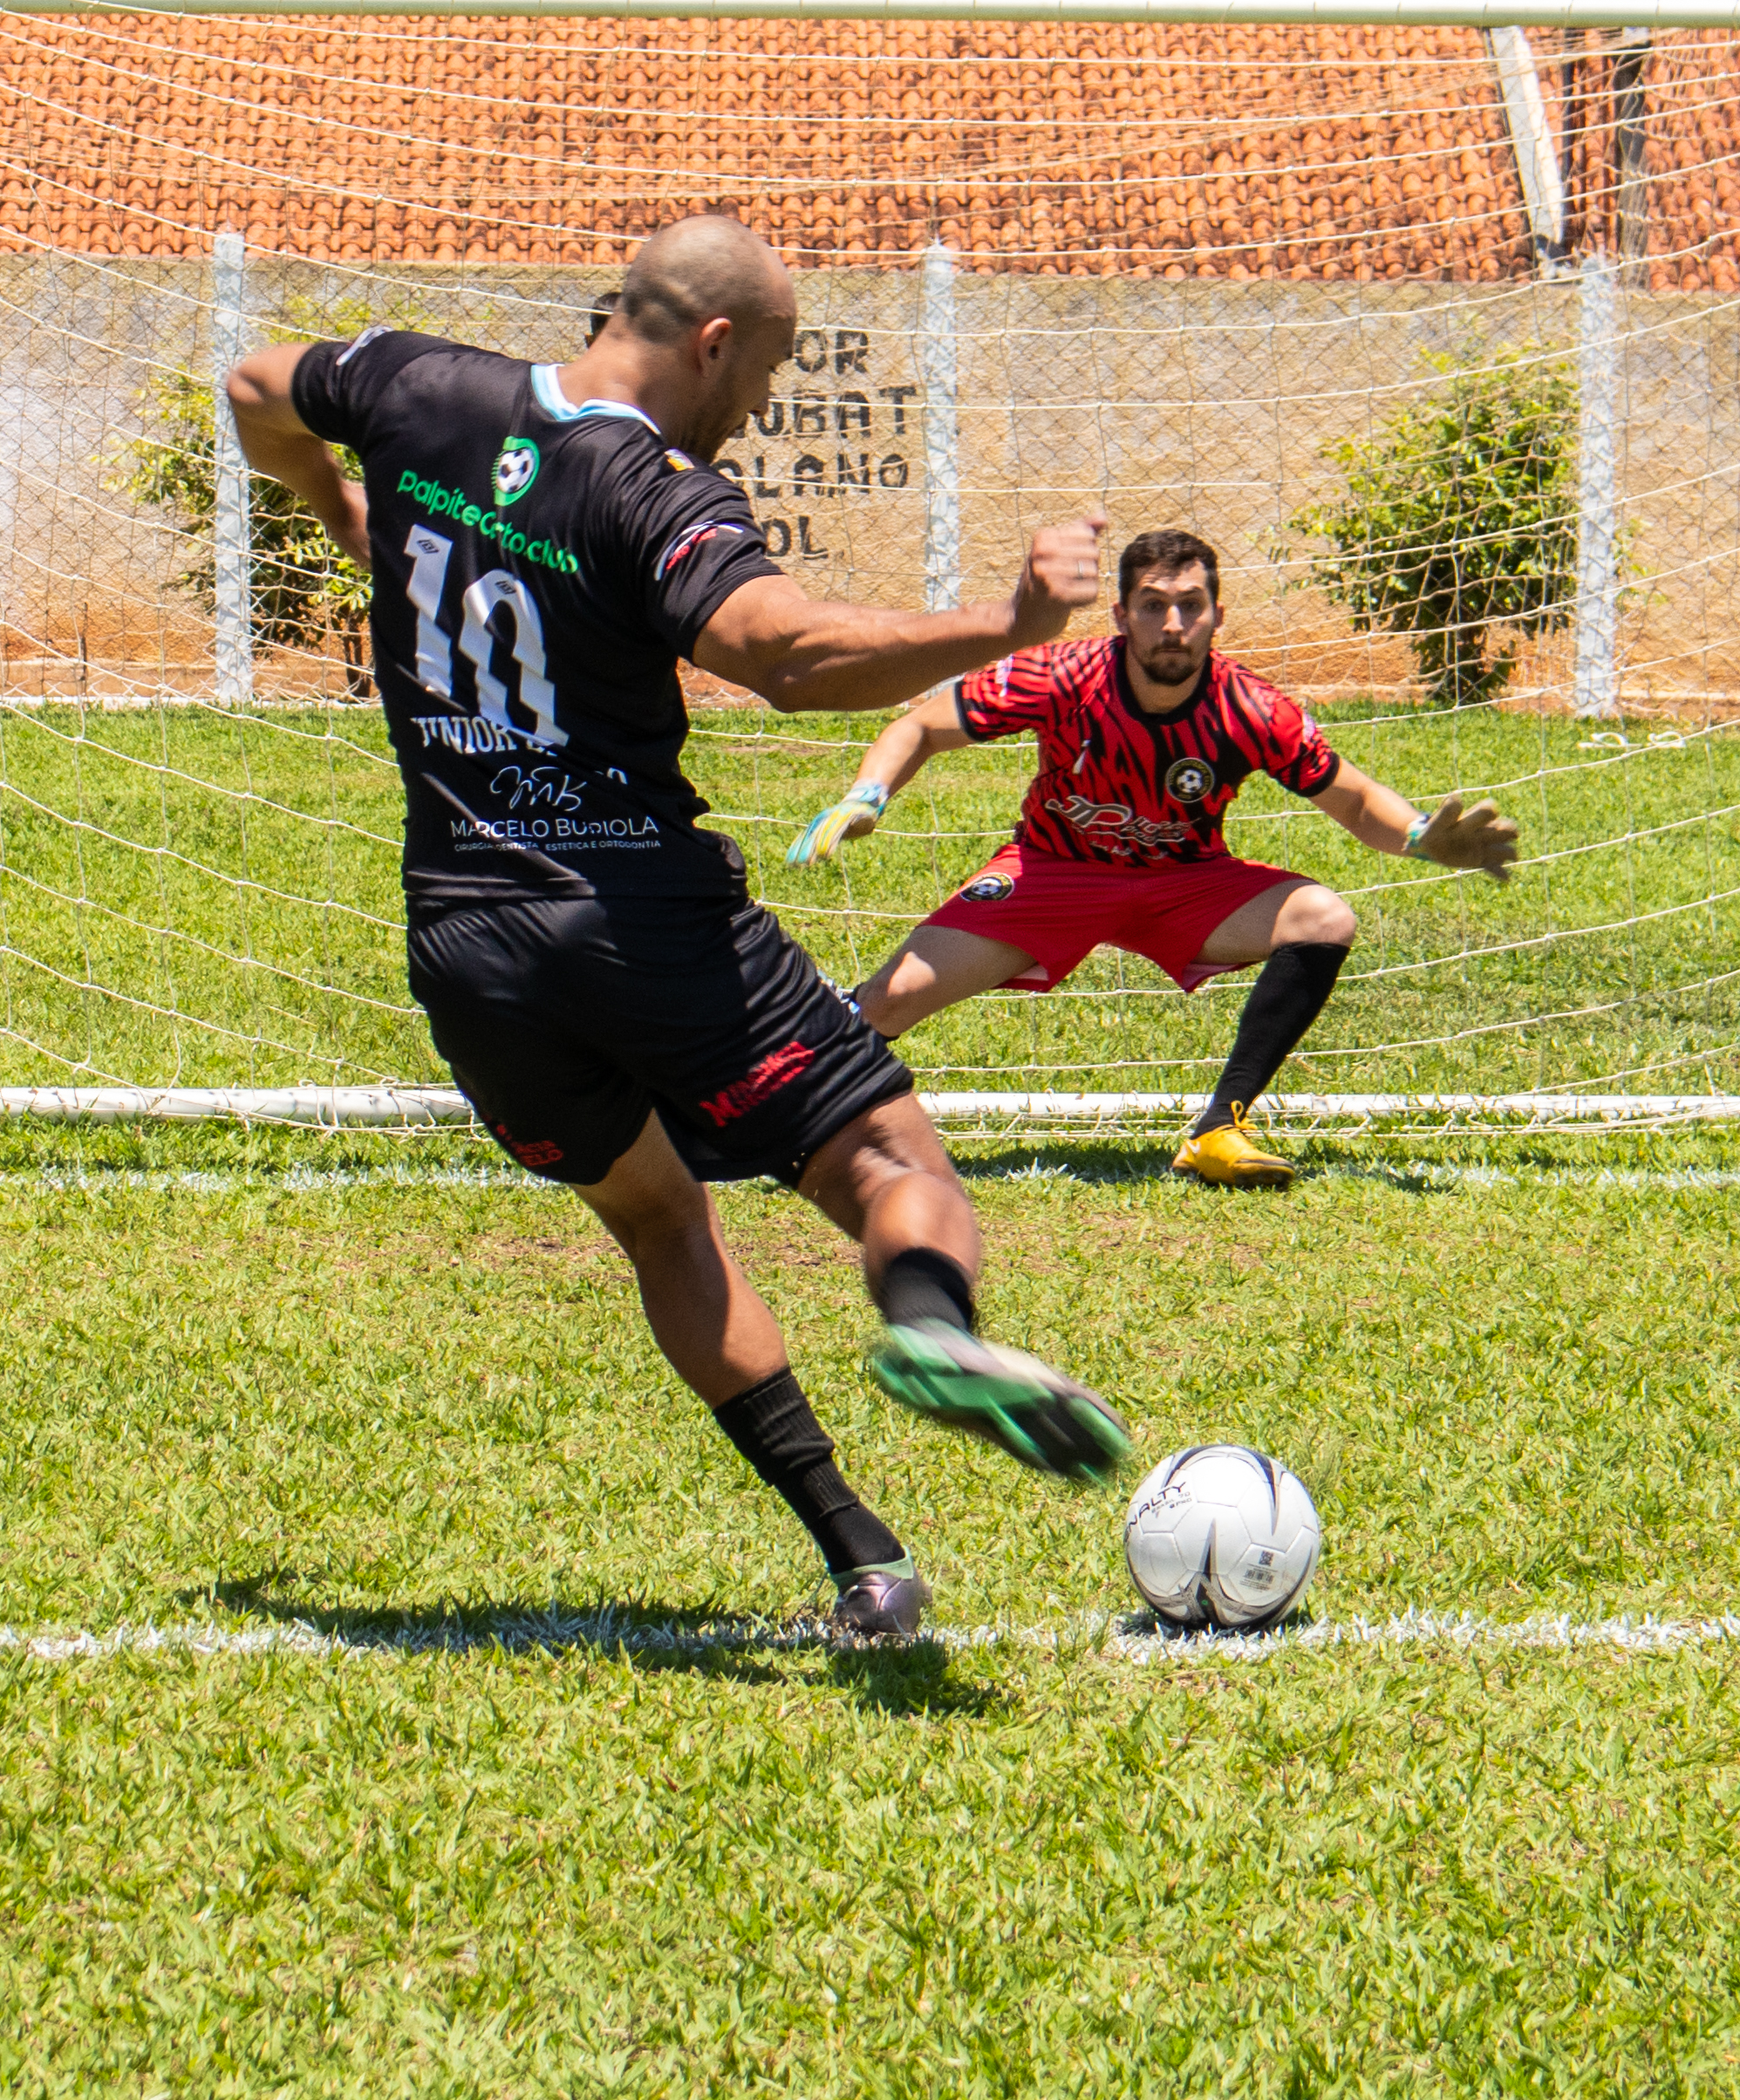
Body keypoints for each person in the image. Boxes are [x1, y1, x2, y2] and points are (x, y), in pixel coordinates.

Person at [220, 213, 1129, 1647]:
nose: (757, 407)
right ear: (711, 343)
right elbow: (782, 652)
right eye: (760, 374)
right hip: (641, 918)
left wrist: (340, 513)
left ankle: (860, 1556)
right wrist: (1003, 619)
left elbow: (257, 389)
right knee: (888, 1157)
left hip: (465, 942)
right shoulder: (654, 492)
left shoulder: (416, 385)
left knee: (658, 1219)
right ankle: (932, 1326)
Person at [784, 529, 1521, 1190]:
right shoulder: (1062, 676)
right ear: (1120, 615)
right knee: (885, 1002)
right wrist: (868, 796)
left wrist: (1423, 834)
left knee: (1322, 917)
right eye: (1152, 605)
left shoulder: (1253, 710)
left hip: (1184, 884)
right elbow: (920, 728)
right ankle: (779, 1108)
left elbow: (1356, 802)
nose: (1173, 624)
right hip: (1052, 874)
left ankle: (1217, 1130)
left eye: (1191, 605)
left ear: (1217, 616)